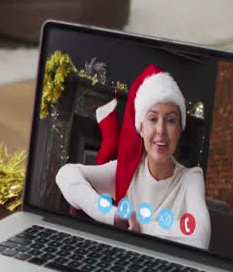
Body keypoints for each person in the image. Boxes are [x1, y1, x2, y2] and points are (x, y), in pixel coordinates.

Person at [55, 64, 211, 249]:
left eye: (170, 120)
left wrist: (137, 227)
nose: (161, 130)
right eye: (152, 119)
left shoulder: (190, 178)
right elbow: (66, 174)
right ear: (141, 128)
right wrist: (113, 216)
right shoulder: (126, 171)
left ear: (179, 129)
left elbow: (199, 236)